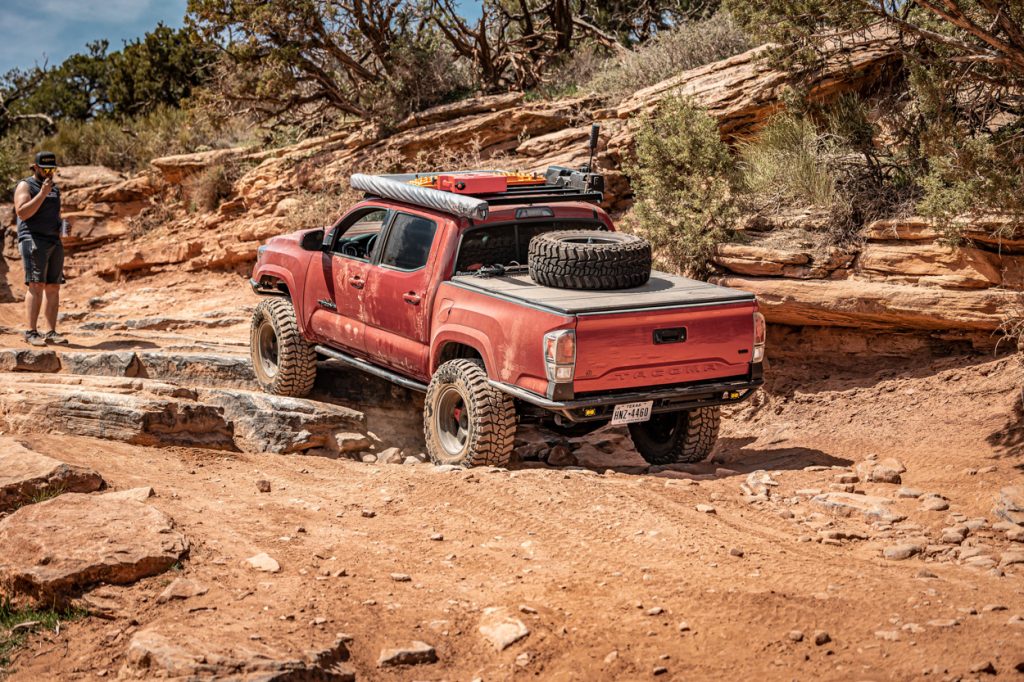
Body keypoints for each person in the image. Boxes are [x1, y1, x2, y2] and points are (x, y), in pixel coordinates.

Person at [13, 151, 70, 347]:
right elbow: (22, 212)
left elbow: (52, 213)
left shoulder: (54, 188)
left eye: (52, 169)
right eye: (45, 169)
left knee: (53, 286)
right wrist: (43, 193)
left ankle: (51, 332)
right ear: (35, 167)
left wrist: (61, 226)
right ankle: (31, 331)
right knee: (36, 284)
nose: (49, 173)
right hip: (33, 239)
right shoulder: (26, 185)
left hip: (54, 240)